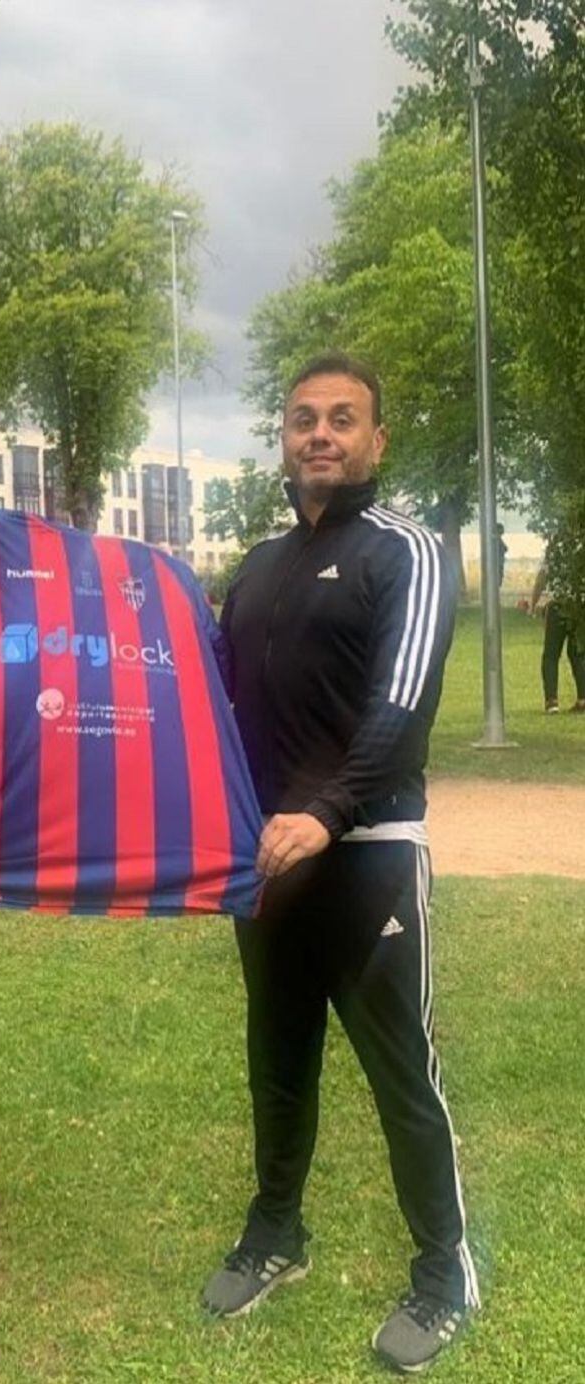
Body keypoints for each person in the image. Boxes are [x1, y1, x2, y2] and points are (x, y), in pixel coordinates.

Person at [207, 353, 479, 1374]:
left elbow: (400, 712)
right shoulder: (260, 566)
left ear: (377, 439)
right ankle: (278, 1234)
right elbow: (218, 709)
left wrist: (323, 814)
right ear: (283, 437)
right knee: (277, 1061)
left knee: (402, 1071)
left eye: (342, 419)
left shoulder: (407, 551)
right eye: (302, 419)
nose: (320, 435)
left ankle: (445, 1273)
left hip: (367, 856)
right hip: (269, 865)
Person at [530, 560, 585, 714]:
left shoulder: (555, 550)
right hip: (579, 604)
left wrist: (534, 604)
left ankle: (552, 701)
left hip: (557, 605)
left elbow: (541, 577)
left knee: (551, 655)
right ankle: (583, 698)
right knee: (578, 654)